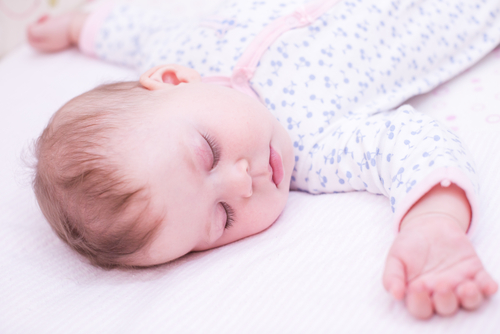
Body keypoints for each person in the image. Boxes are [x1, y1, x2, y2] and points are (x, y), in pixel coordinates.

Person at [27, 0, 499, 319]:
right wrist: (433, 223)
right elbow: (407, 141)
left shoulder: (172, 51)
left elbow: (140, 31)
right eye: (223, 216)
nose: (242, 183)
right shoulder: (310, 147)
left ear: (171, 79)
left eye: (207, 153)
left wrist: (77, 24)